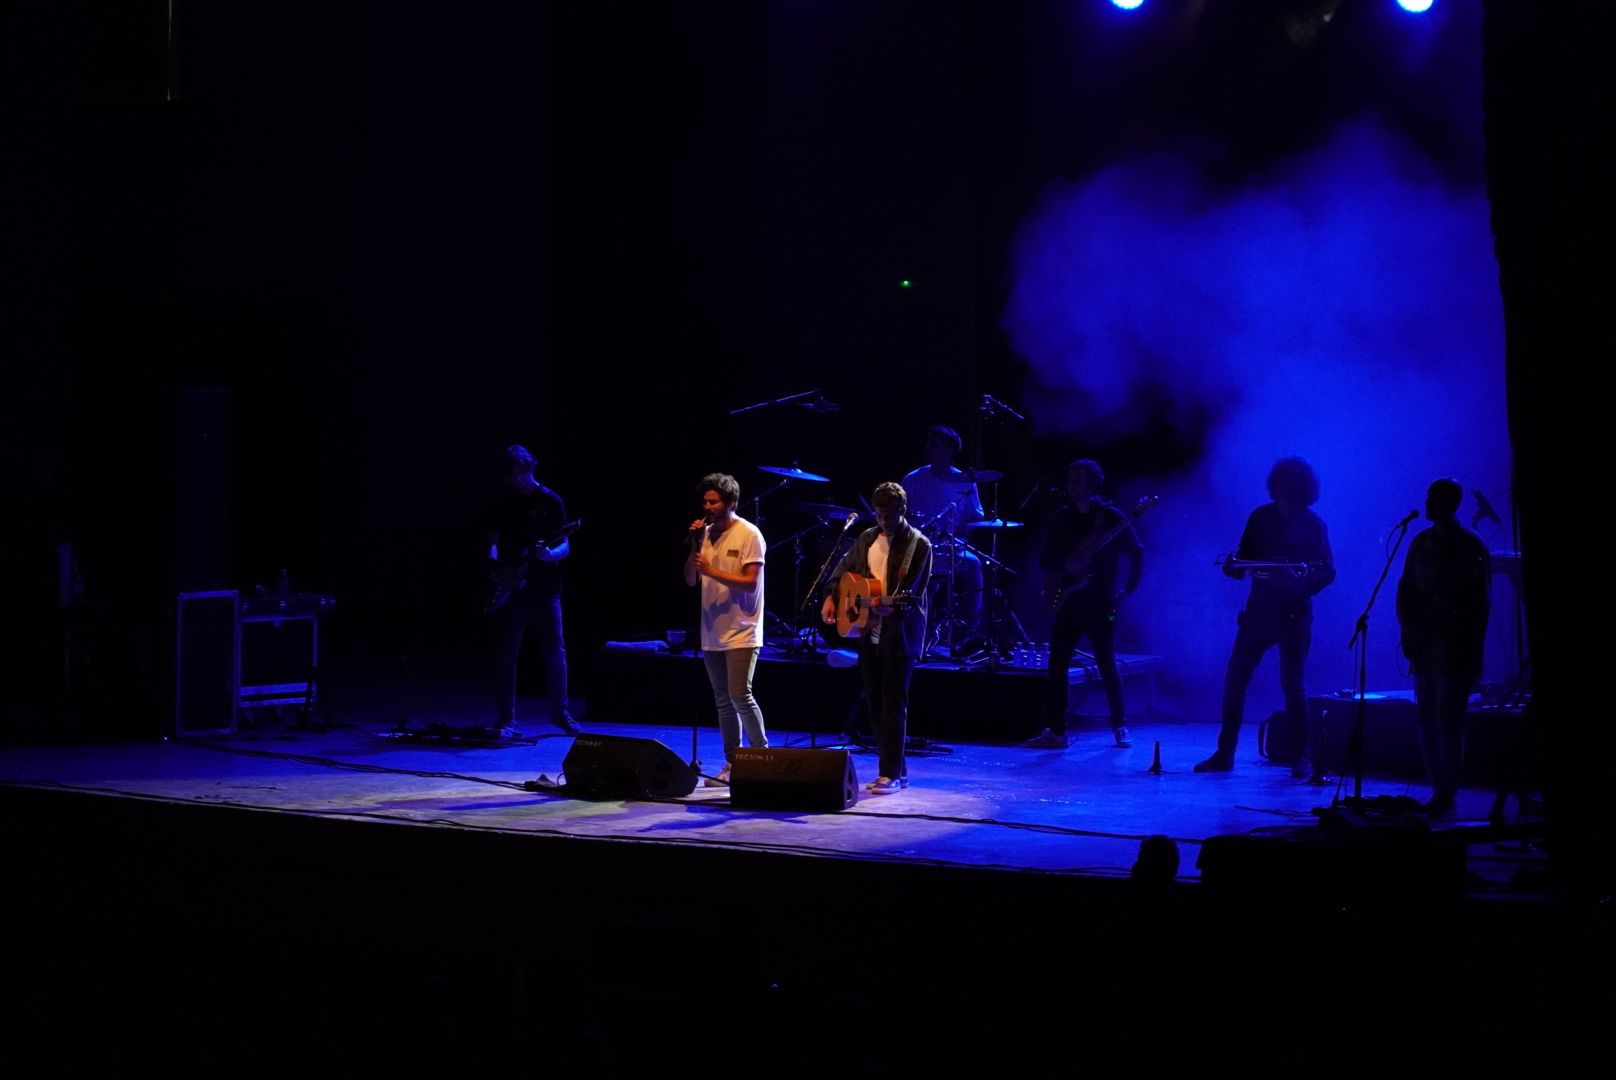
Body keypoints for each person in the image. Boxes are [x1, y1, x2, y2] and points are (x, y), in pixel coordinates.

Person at [1195, 456, 1335, 775]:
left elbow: (1327, 571)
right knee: (1236, 679)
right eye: (1281, 482)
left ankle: (1302, 756)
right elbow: (1243, 562)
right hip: (1258, 611)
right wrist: (1232, 567)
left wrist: (1298, 582)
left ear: (1302, 488)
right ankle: (1225, 753)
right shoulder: (1260, 517)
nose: (1284, 489)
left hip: (1293, 614)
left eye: (1291, 484)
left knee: (1293, 684)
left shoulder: (1313, 524)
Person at [1023, 459, 1144, 750]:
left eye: (1077, 481)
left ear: (1092, 485)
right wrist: (1066, 564)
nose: (1071, 486)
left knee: (1106, 662)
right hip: (1068, 600)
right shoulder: (1062, 518)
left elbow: (1137, 551)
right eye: (1070, 480)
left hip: (1101, 602)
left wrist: (1128, 589)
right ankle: (1057, 731)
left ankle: (1120, 725)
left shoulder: (1111, 517)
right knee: (1058, 663)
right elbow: (1045, 559)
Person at [820, 482, 933, 794]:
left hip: (900, 634)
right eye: (879, 515)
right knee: (874, 702)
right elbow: (842, 570)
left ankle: (889, 774)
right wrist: (831, 596)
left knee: (893, 703)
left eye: (889, 515)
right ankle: (898, 770)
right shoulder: (867, 538)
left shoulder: (919, 545)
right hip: (869, 631)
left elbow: (911, 596)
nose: (884, 521)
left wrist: (890, 608)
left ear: (903, 510)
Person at [1396, 478, 1491, 817]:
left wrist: (1449, 611)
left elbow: (1479, 603)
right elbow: (1405, 588)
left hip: (1456, 645)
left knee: (1449, 719)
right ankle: (1438, 788)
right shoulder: (1420, 542)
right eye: (1428, 497)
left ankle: (1446, 793)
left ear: (1449, 503)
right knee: (1427, 718)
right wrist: (1408, 626)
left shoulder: (1471, 545)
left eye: (1434, 498)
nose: (1427, 503)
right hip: (1425, 644)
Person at [486, 444, 581, 737]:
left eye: (518, 473)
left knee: (554, 651)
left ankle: (561, 715)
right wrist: (496, 567)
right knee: (507, 652)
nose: (515, 480)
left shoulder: (550, 501)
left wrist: (548, 555)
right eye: (510, 475)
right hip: (512, 586)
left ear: (528, 468)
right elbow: (493, 541)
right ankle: (506, 719)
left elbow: (565, 545)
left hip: (545, 587)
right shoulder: (504, 502)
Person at [685, 473, 770, 787]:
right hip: (712, 630)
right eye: (705, 501)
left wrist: (712, 570)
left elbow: (750, 583)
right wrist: (694, 548)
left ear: (731, 502)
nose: (708, 507)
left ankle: (761, 758)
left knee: (740, 695)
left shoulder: (749, 534)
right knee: (723, 700)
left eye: (714, 501)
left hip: (743, 628)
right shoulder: (705, 534)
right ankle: (733, 763)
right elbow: (690, 580)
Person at [899, 425, 986, 651]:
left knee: (975, 564)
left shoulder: (965, 480)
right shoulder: (912, 480)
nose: (928, 449)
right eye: (928, 444)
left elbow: (976, 517)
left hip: (951, 546)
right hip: (917, 547)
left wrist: (962, 530)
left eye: (934, 445)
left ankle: (968, 630)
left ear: (948, 449)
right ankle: (913, 631)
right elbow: (900, 518)